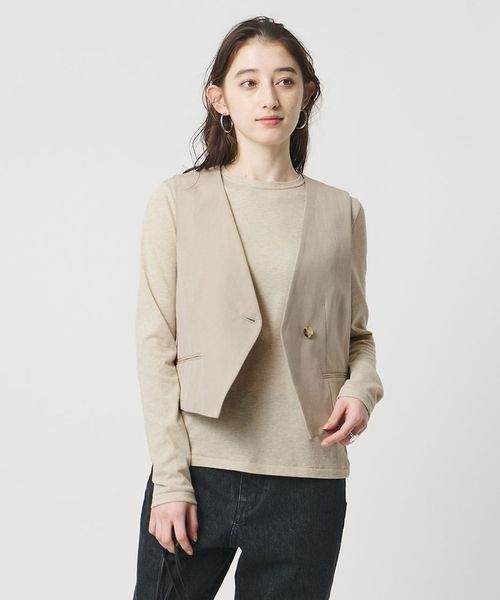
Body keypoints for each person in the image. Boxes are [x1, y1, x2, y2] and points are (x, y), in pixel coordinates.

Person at [133, 15, 384, 600]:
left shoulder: (341, 212)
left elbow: (357, 338)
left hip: (307, 479)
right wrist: (171, 480)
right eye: (248, 82)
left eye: (285, 80)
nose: (269, 97)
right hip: (199, 471)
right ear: (219, 98)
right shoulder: (178, 200)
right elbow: (156, 345)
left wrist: (361, 390)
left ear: (307, 94)